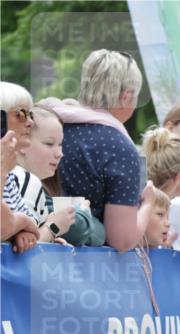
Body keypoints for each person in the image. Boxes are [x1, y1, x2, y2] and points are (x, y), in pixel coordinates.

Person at [42, 50, 149, 251]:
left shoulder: (48, 127)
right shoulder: (120, 150)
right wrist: (149, 205)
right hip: (87, 264)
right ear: (126, 96)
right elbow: (121, 240)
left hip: (28, 249)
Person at [9, 106, 80, 245]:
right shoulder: (26, 179)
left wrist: (49, 240)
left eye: (60, 144)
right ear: (22, 141)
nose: (60, 153)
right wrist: (53, 228)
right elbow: (21, 249)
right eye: (49, 143)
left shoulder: (15, 177)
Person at [1, 82, 42, 250]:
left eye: (31, 114)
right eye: (21, 114)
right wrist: (22, 222)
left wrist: (20, 231)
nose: (30, 122)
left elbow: (31, 226)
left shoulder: (8, 174)